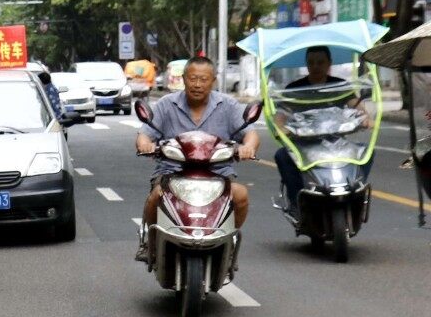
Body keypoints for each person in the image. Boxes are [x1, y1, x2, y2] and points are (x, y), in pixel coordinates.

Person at [135, 55, 259, 260]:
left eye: (203, 79)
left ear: (213, 81)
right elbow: (145, 134)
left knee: (241, 196)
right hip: (172, 174)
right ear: (184, 79)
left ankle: (228, 243)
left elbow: (251, 134)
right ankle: (151, 243)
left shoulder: (228, 105)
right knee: (156, 196)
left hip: (218, 175)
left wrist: (248, 147)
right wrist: (145, 145)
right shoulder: (166, 105)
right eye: (193, 79)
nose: (198, 84)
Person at [274, 45, 369, 211]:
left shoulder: (340, 85)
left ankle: (356, 193)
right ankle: (297, 201)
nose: (316, 66)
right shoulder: (295, 88)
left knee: (367, 152)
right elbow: (282, 114)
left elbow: (359, 109)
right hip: (304, 144)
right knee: (282, 155)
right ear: (307, 64)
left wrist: (366, 119)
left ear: (329, 63)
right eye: (311, 63)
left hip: (336, 142)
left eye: (320, 62)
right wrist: (281, 127)